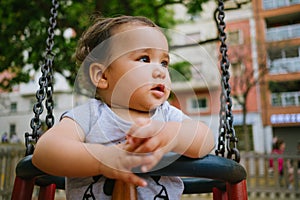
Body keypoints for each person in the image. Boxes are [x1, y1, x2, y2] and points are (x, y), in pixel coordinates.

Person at [32, 15, 215, 199]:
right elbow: (45, 151)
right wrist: (103, 159)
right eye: (144, 59)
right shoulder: (89, 115)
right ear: (102, 75)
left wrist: (173, 135)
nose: (160, 71)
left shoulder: (166, 116)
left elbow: (206, 140)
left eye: (164, 62)